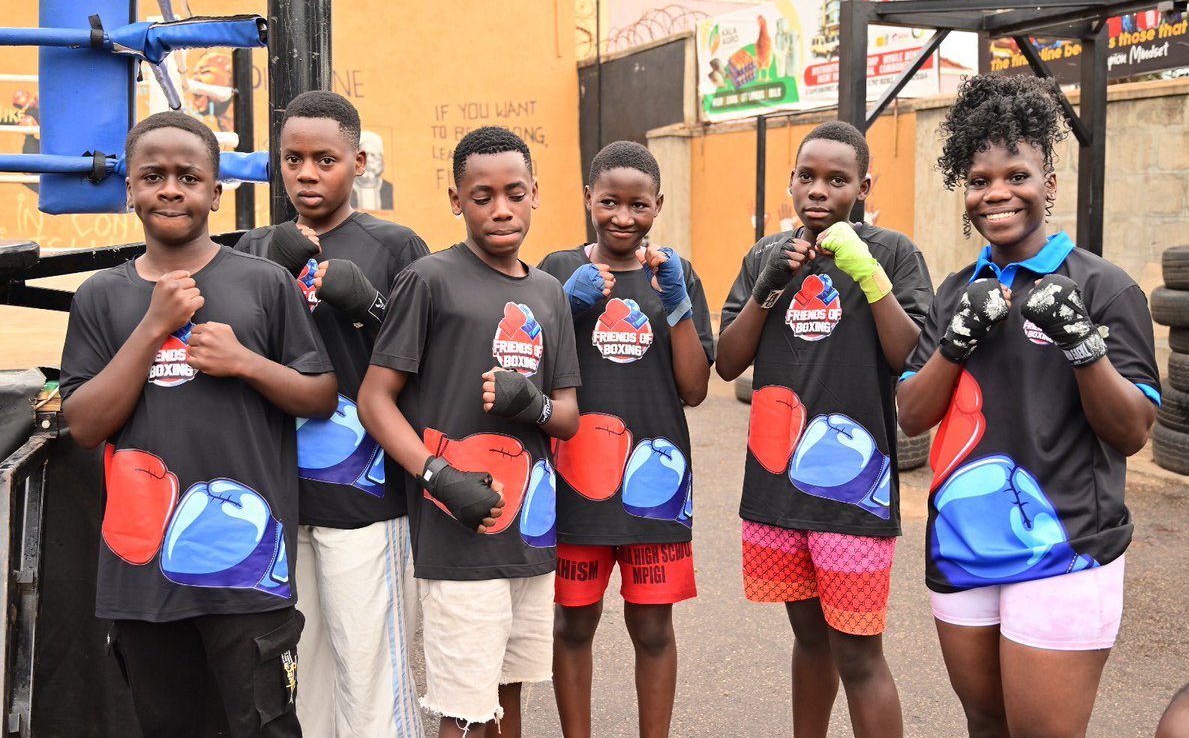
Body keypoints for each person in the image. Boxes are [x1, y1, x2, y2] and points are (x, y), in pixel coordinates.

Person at [896, 74, 1160, 738]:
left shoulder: (1105, 287)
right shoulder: (958, 289)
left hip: (1063, 549)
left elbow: (1131, 430)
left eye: (1017, 173)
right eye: (980, 179)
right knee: (985, 722)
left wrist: (1082, 344)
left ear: (1050, 183)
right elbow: (910, 412)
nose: (997, 192)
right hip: (961, 548)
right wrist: (955, 342)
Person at [59, 111, 338, 738]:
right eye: (152, 176)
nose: (170, 189)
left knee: (264, 724)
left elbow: (320, 396)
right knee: (168, 724)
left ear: (216, 192)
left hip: (246, 565)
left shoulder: (263, 284)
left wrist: (244, 362)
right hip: (144, 568)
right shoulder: (101, 297)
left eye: (189, 176)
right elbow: (83, 424)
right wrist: (154, 326)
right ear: (129, 189)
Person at [358, 125, 581, 738]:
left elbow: (567, 416)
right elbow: (374, 400)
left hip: (530, 530)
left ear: (536, 193)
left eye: (515, 192)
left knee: (510, 696)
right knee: (464, 709)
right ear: (456, 200)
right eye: (482, 196)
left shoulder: (549, 293)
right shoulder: (430, 280)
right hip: (458, 528)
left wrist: (529, 405)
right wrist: (439, 475)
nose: (501, 208)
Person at [716, 120, 932, 738]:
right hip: (778, 488)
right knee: (809, 640)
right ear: (790, 181)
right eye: (807, 177)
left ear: (863, 186)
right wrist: (767, 289)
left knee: (859, 653)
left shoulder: (892, 252)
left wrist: (869, 276)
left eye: (838, 180)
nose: (819, 190)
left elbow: (911, 358)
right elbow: (728, 364)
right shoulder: (765, 254)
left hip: (852, 494)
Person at [235, 90, 427, 738]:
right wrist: (268, 271)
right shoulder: (257, 245)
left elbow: (427, 362)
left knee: (370, 671)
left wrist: (369, 305)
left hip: (365, 498)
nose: (307, 173)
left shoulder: (395, 245)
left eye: (325, 159)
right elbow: (235, 353)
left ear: (359, 160)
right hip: (279, 495)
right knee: (303, 676)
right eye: (293, 160)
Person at [538, 141, 714, 738]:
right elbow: (527, 368)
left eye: (638, 204)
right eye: (608, 201)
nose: (622, 216)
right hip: (573, 482)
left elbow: (694, 389)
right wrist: (564, 306)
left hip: (654, 486)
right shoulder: (557, 270)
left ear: (658, 205)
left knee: (654, 630)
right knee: (573, 626)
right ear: (588, 198)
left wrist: (678, 306)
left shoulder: (676, 274)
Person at [351, 130, 394, 210]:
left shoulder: (388, 188)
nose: (369, 160)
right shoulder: (346, 189)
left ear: (381, 161)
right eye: (364, 156)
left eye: (373, 155)